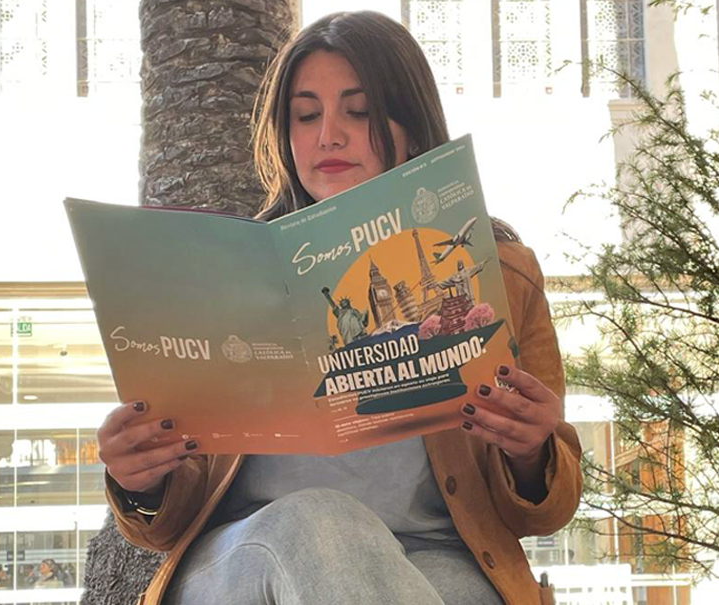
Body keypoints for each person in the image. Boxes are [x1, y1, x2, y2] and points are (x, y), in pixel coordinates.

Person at [97, 11, 582, 605]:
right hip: (252, 554)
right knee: (322, 523)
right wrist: (140, 480)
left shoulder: (499, 272)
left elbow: (546, 510)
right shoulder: (224, 278)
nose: (329, 135)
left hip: (438, 556)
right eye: (306, 115)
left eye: (359, 111)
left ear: (411, 127)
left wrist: (531, 453)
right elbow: (161, 523)